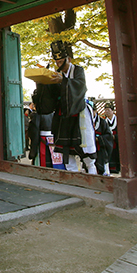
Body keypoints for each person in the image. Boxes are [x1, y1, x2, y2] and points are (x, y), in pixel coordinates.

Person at [33, 40, 97, 174]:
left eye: (61, 60)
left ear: (68, 59)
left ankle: (92, 172)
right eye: (56, 61)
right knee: (66, 151)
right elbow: (51, 96)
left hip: (79, 113)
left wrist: (63, 81)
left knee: (85, 150)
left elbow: (80, 86)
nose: (58, 64)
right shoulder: (55, 74)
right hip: (63, 116)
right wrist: (42, 82)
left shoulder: (78, 70)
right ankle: (71, 175)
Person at [93, 102, 113, 176]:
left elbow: (108, 136)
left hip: (101, 148)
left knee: (103, 166)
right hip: (92, 146)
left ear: (96, 111)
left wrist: (99, 139)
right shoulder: (87, 121)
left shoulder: (102, 122)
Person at [104, 102, 120, 174]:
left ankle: (117, 168)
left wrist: (115, 137)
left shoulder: (118, 120)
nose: (107, 112)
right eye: (106, 110)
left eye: (109, 110)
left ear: (113, 111)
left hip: (117, 142)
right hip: (109, 142)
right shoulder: (104, 122)